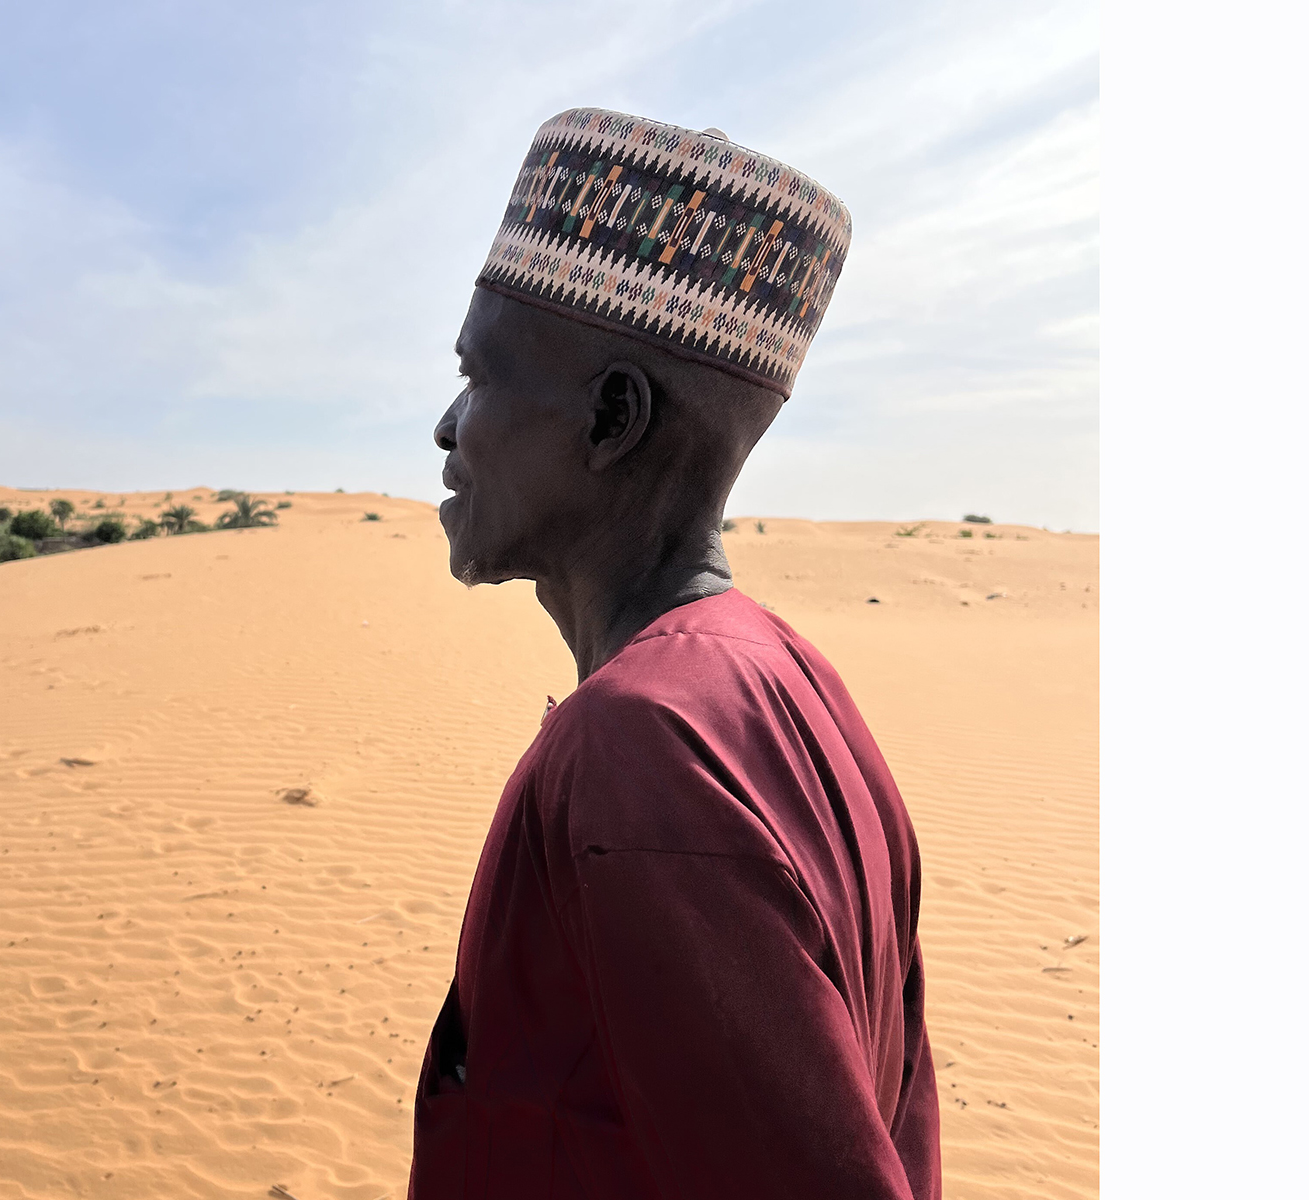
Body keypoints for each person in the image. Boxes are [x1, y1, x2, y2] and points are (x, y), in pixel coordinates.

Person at [408, 108, 940, 1200]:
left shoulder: (645, 742)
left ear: (611, 418)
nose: (448, 427)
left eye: (481, 378)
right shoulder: (788, 680)